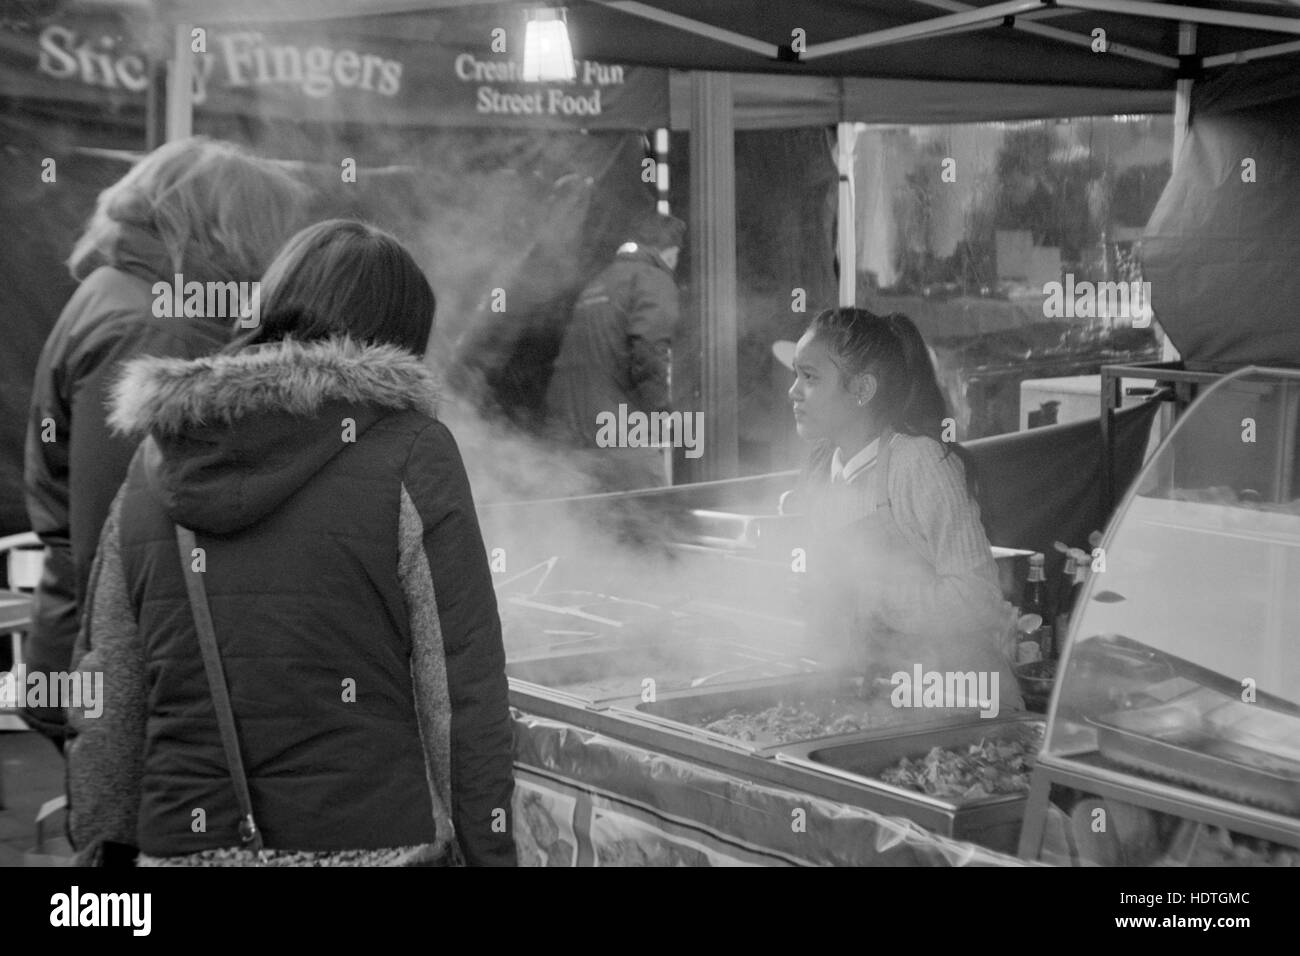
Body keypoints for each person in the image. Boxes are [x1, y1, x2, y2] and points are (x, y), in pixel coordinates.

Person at [66, 220, 517, 866]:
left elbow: (109, 689)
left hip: (186, 848)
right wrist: (490, 854)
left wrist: (103, 850)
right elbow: (461, 698)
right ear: (401, 338)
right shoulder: (413, 453)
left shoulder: (155, 463)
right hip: (371, 843)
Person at [22, 136, 307, 750]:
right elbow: (119, 536)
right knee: (130, 839)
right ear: (232, 229)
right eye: (277, 231)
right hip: (113, 666)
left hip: (91, 646)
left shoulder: (124, 290)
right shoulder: (153, 327)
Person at [785, 307, 1020, 713]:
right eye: (796, 375)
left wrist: (871, 599)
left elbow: (977, 598)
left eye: (810, 378)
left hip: (958, 704)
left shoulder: (919, 463)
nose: (793, 391)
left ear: (861, 390)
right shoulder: (822, 466)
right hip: (878, 702)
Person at [545, 210, 685, 491]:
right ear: (670, 253)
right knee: (652, 524)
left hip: (577, 436)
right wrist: (662, 417)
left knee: (597, 530)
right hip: (624, 437)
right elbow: (649, 352)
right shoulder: (653, 279)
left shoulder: (599, 282)